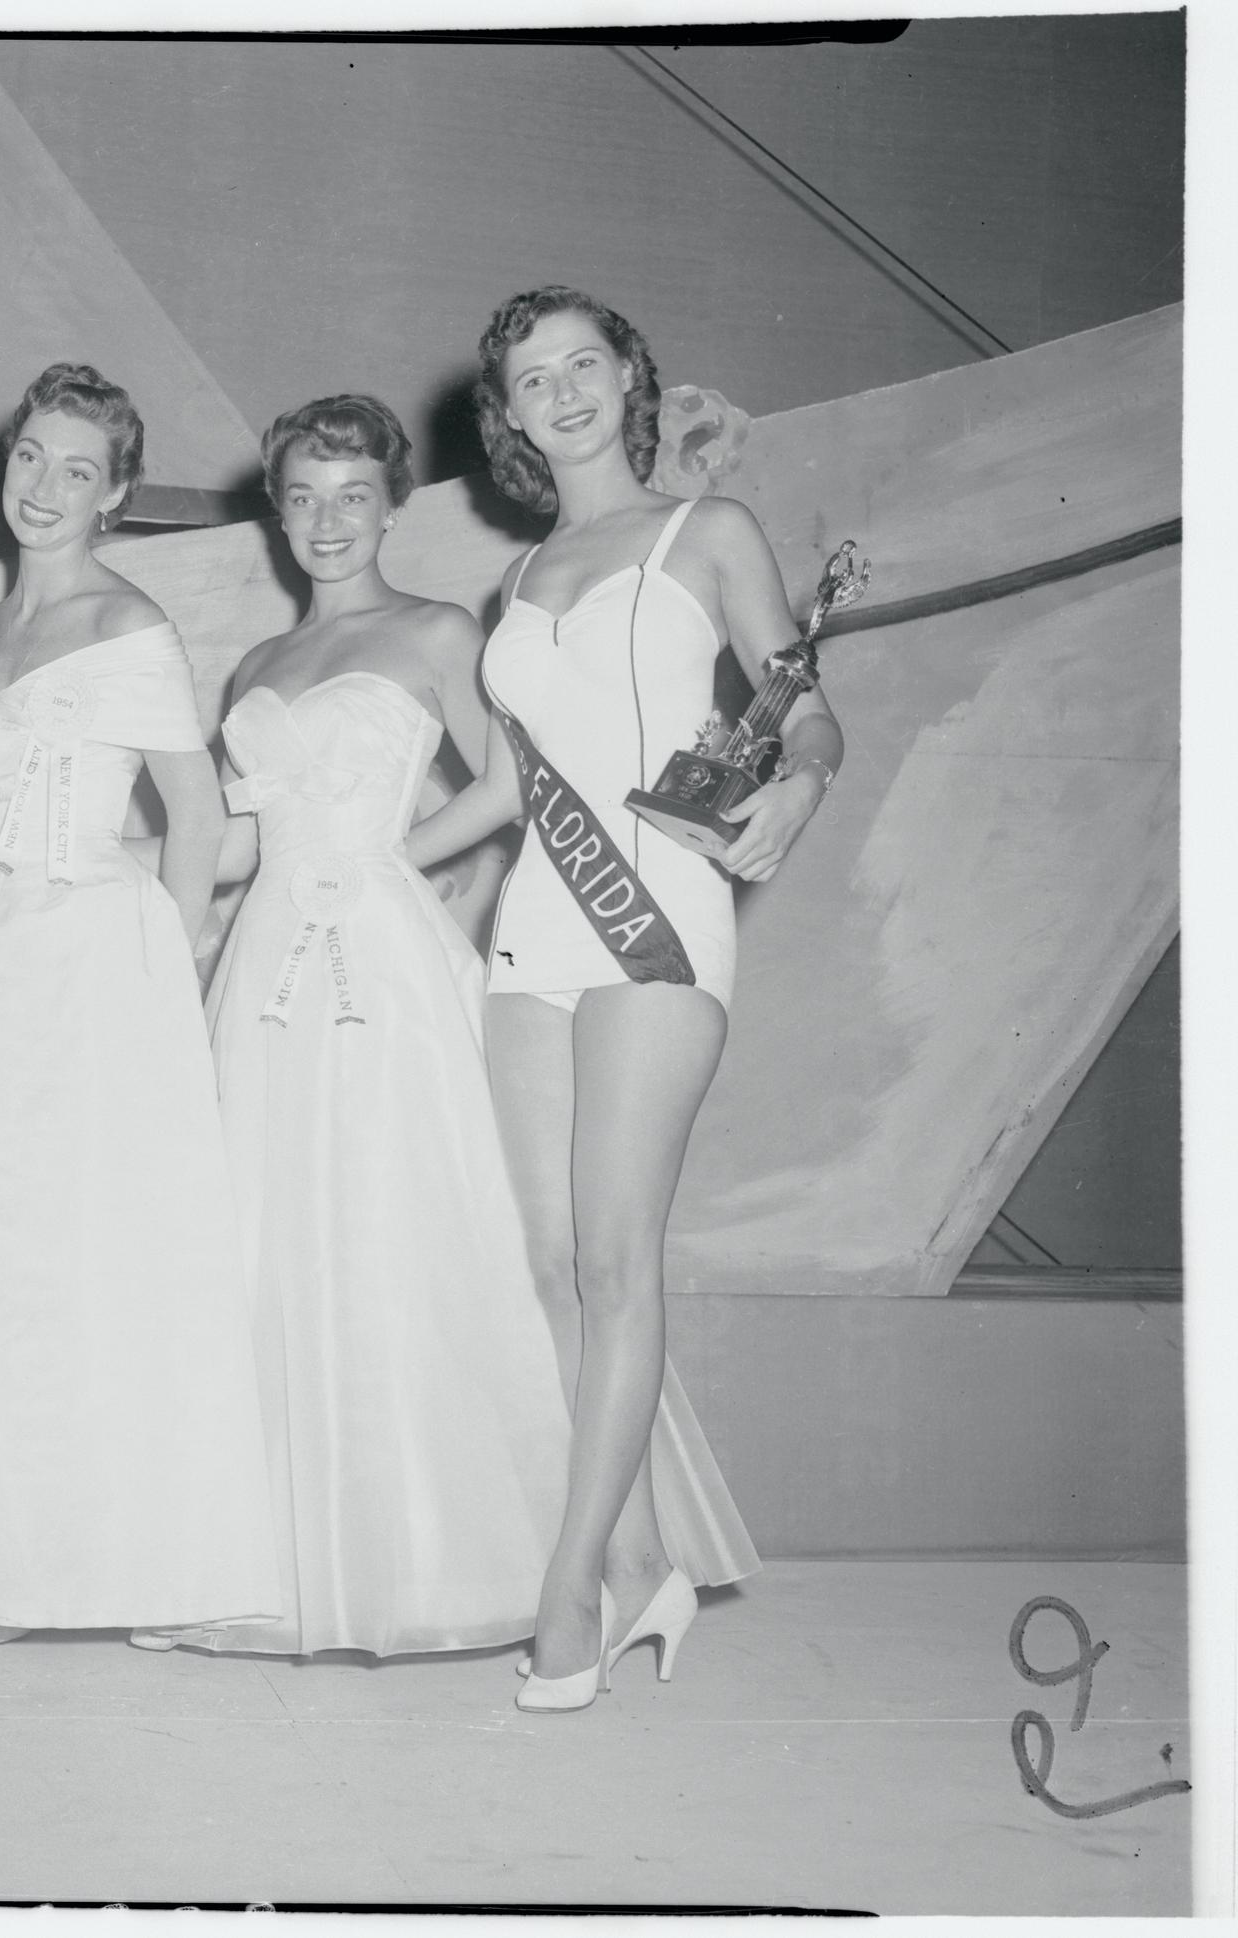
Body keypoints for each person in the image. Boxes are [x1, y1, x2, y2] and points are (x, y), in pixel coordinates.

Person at [408, 288, 829, 1711]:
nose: (567, 388)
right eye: (537, 376)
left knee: (615, 1264)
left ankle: (569, 1586)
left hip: (659, 919)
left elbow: (803, 696)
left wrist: (803, 782)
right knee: (544, 1267)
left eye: (588, 362)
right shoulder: (512, 588)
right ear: (510, 416)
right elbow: (505, 788)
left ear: (633, 377)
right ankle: (646, 1560)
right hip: (536, 927)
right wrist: (362, 863)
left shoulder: (704, 531)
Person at [174, 394, 572, 1659]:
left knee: (400, 1224)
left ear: (393, 506)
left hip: (383, 960)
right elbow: (238, 835)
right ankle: (266, 1569)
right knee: (263, 1228)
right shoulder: (255, 669)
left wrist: (381, 857)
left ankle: (446, 1565)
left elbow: (512, 783)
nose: (327, 520)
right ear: (275, 507)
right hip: (268, 959)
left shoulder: (437, 630)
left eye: (353, 495)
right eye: (303, 495)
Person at [0, 362, 280, 1645]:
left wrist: (165, 978)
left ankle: (124, 1565)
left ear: (116, 493)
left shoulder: (131, 630)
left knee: (88, 1249)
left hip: (89, 952)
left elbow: (194, 818)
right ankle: (9, 1566)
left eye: (79, 469)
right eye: (31, 457)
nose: (45, 487)